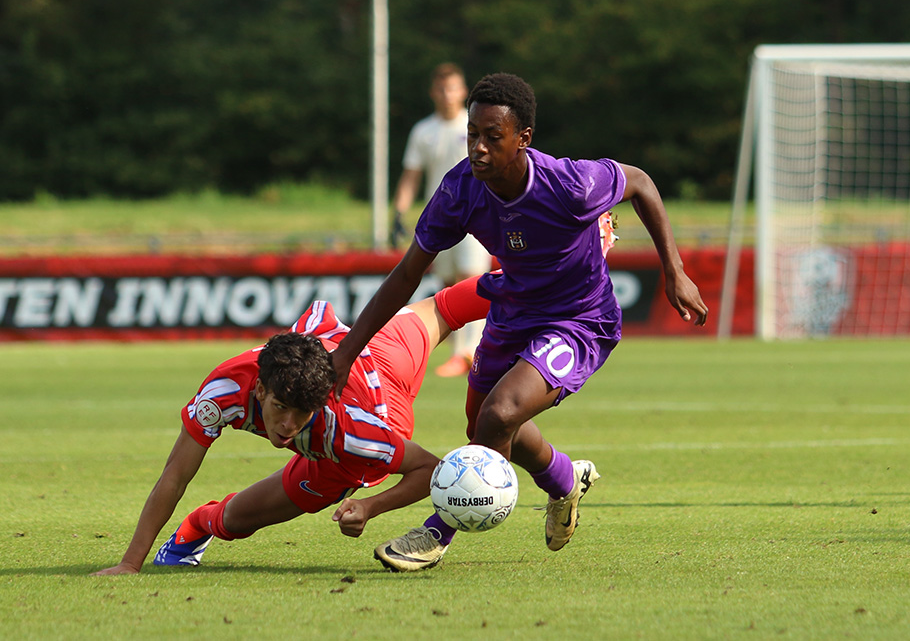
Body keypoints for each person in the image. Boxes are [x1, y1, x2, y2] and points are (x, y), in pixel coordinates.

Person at [332, 73, 709, 572]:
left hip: (580, 320)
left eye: (493, 136)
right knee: (487, 422)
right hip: (512, 311)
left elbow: (639, 181)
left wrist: (675, 271)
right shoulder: (460, 190)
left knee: (499, 413)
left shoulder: (569, 184)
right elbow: (406, 275)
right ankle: (564, 482)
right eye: (472, 134)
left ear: (523, 139)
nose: (479, 148)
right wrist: (346, 352)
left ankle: (435, 534)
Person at [91, 275, 490, 574]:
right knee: (446, 307)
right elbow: (175, 475)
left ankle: (204, 522)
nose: (286, 426)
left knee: (242, 518)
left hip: (381, 408)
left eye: (301, 413)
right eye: (280, 407)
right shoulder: (223, 391)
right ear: (260, 388)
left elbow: (430, 469)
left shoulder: (346, 435)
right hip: (374, 350)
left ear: (319, 402)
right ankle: (198, 525)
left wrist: (370, 506)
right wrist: (130, 563)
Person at [392, 62, 492, 378]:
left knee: (472, 279)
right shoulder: (423, 131)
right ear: (433, 92)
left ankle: (471, 354)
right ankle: (459, 352)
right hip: (441, 217)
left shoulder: (474, 125)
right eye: (441, 88)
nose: (447, 94)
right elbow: (411, 175)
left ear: (463, 91)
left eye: (453, 87)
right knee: (448, 286)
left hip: (477, 214)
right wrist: (399, 211)